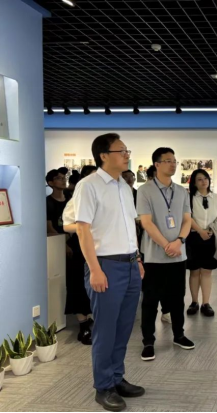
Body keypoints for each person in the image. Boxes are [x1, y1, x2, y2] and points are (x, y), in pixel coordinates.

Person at [73, 133, 145, 411]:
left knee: (124, 327)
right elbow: (83, 229)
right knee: (105, 329)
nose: (127, 155)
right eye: (121, 150)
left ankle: (116, 377)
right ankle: (103, 386)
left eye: (127, 151)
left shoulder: (124, 186)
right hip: (105, 265)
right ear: (104, 155)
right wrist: (94, 269)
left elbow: (129, 227)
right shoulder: (88, 186)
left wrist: (137, 258)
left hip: (130, 264)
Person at [137, 148, 194, 363]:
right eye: (168, 161)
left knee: (177, 298)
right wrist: (166, 245)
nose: (173, 164)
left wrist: (179, 241)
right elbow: (146, 222)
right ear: (157, 164)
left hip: (178, 255)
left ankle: (179, 335)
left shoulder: (181, 191)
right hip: (154, 256)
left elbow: (187, 220)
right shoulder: (145, 190)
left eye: (174, 161)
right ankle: (148, 341)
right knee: (150, 300)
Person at [63, 165, 98, 346]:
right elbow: (67, 226)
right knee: (78, 286)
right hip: (80, 247)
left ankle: (92, 318)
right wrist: (85, 227)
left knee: (95, 287)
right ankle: (83, 325)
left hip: (100, 248)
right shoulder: (77, 199)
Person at [187, 169, 217, 318]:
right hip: (193, 236)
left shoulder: (215, 197)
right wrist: (200, 231)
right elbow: (187, 217)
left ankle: (206, 303)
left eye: (205, 178)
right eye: (199, 179)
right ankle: (194, 302)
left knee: (207, 271)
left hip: (211, 236)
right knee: (194, 271)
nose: (204, 182)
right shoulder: (189, 197)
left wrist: (210, 229)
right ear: (194, 183)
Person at [46, 169, 69, 236]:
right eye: (59, 178)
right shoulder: (48, 202)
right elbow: (49, 228)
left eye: (64, 178)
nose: (63, 180)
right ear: (51, 183)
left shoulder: (70, 199)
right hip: (57, 238)